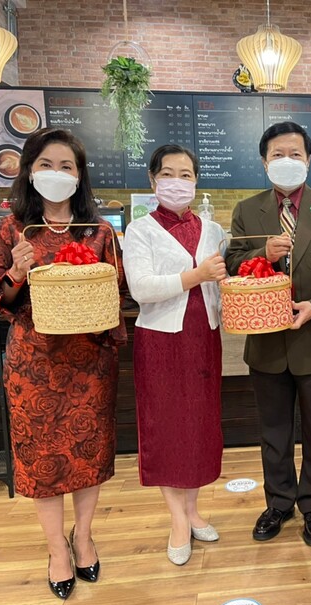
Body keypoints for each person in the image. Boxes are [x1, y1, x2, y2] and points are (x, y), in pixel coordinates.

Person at [0, 128, 125, 599]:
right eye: (46, 164)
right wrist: (17, 272)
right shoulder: (11, 230)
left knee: (88, 454)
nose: (57, 173)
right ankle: (56, 550)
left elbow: (117, 290)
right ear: (29, 170)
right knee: (43, 459)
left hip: (90, 363)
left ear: (80, 176)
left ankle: (83, 538)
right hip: (34, 364)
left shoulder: (99, 231)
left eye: (67, 166)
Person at [225, 121, 311, 547]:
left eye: (295, 154)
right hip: (266, 343)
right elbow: (232, 261)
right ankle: (279, 502)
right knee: (274, 431)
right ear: (264, 162)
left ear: (309, 159)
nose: (287, 161)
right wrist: (261, 253)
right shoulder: (247, 209)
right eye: (278, 154)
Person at [122, 144, 227, 565]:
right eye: (168, 174)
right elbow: (141, 288)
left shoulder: (213, 230)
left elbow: (221, 282)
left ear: (196, 181)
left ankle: (193, 508)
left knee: (199, 426)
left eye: (186, 175)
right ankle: (177, 519)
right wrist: (195, 275)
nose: (177, 182)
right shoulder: (140, 230)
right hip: (161, 342)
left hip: (204, 337)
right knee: (166, 427)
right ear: (152, 179)